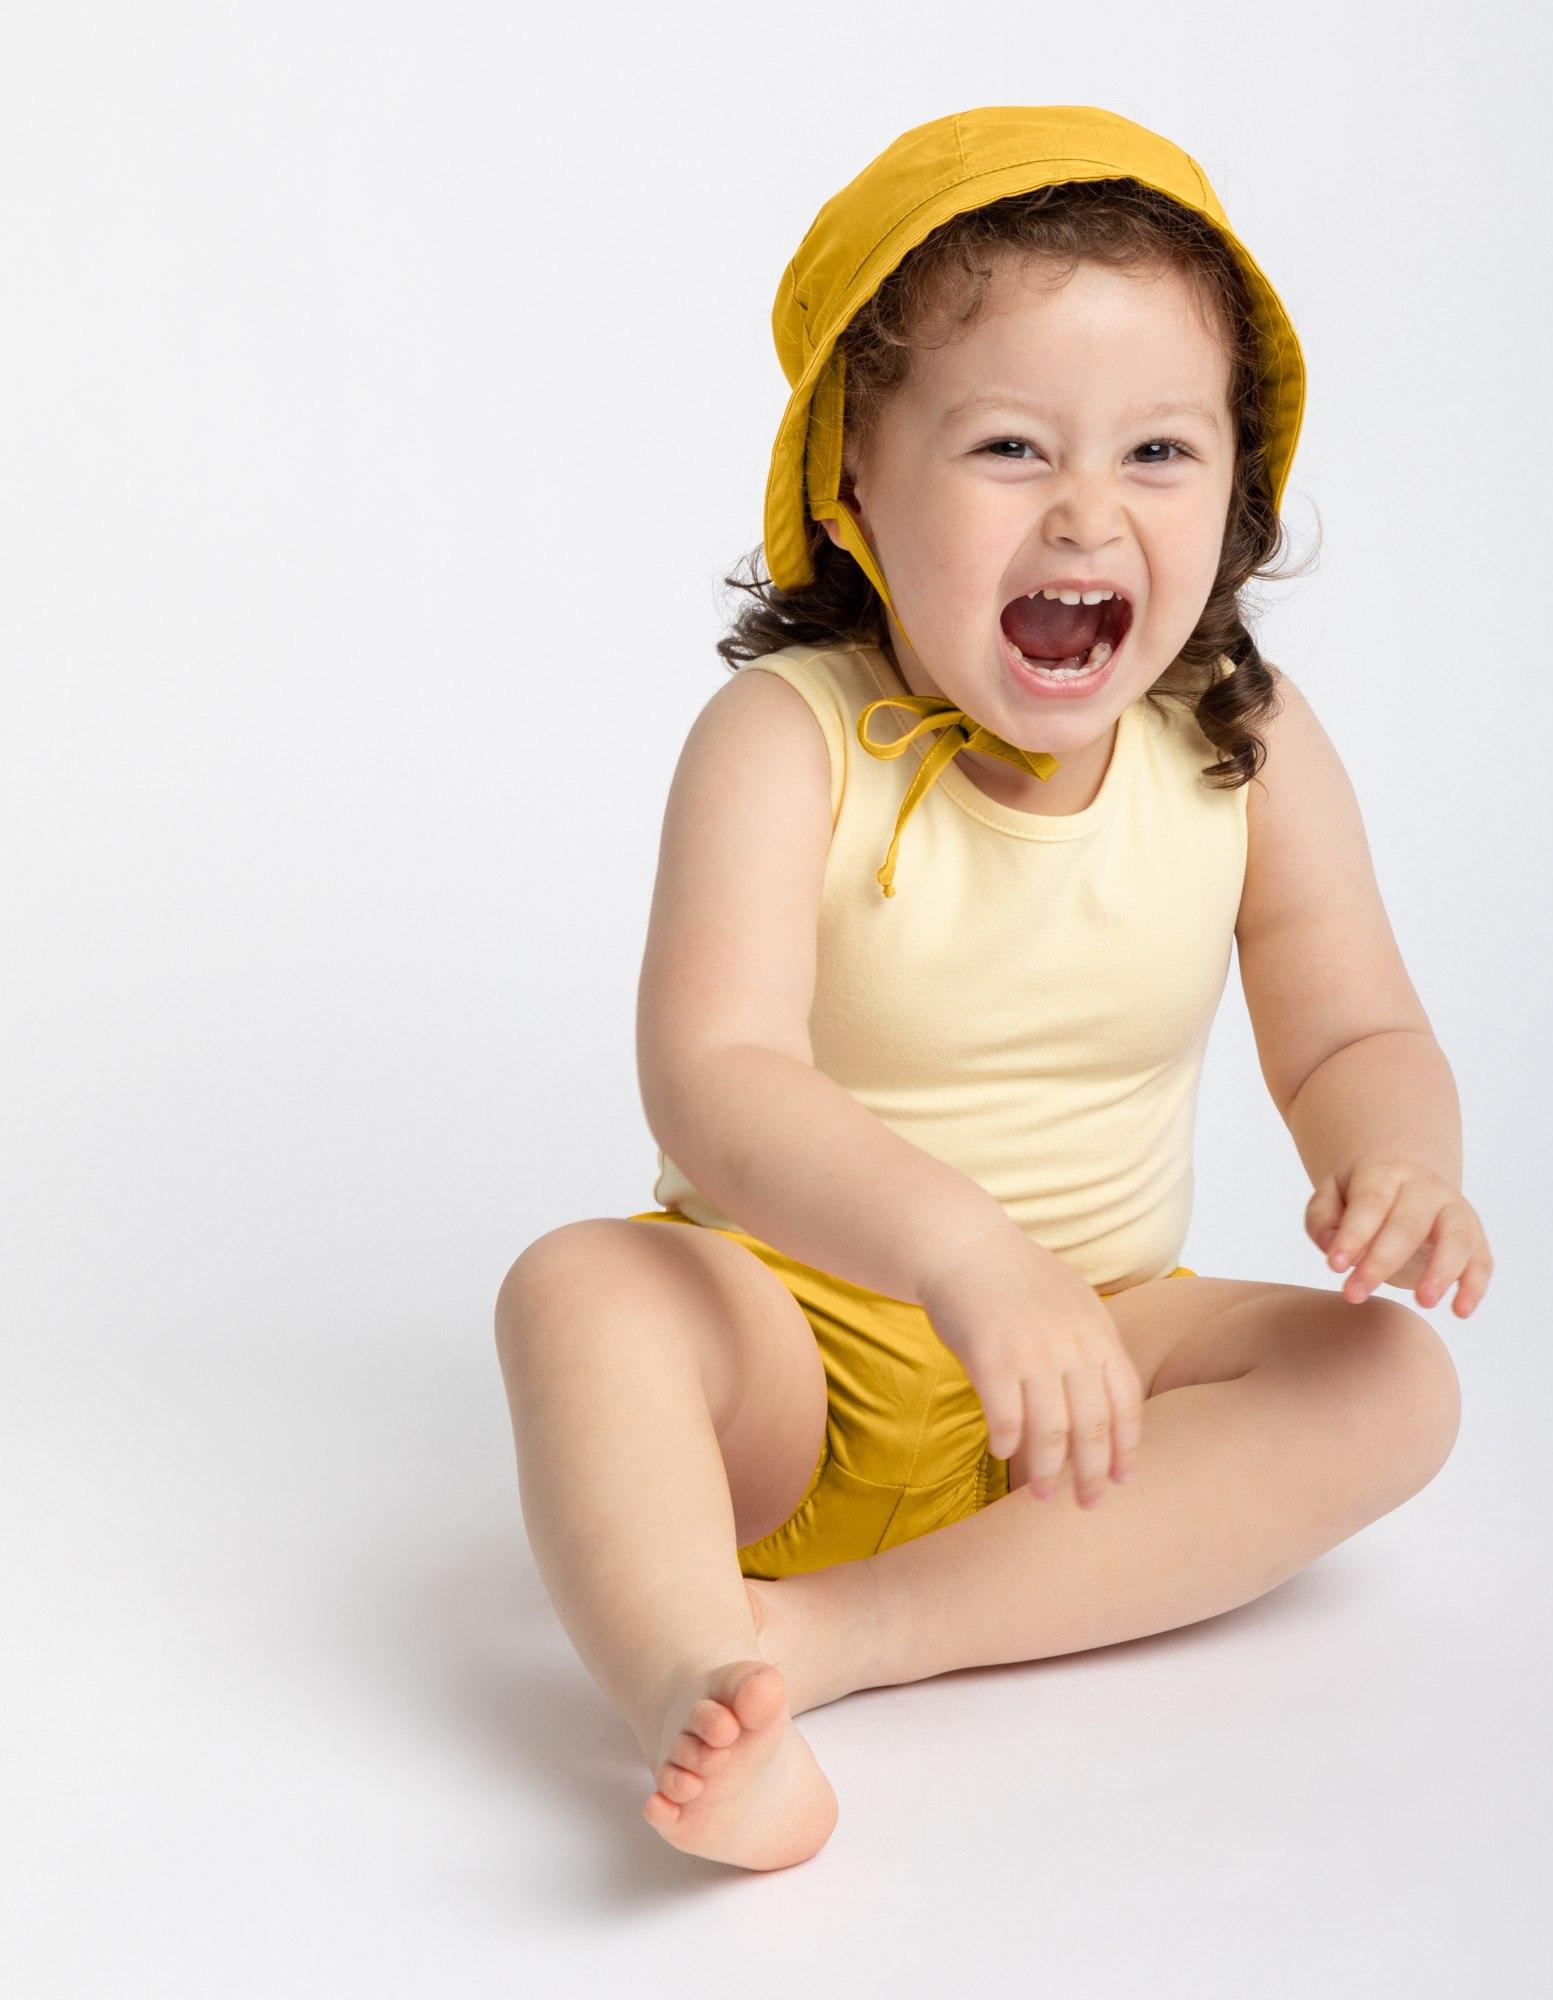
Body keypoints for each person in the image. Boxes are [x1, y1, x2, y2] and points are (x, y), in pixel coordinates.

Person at [494, 104, 1494, 1873]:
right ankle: (690, 1672)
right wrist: (964, 1260)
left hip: (1098, 1352)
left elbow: (1355, 1029)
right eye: (1012, 447)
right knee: (584, 1294)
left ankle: (837, 1637)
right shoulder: (785, 742)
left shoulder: (1239, 751)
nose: (1089, 509)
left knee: (1389, 1386)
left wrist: (1400, 1155)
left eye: (1163, 452)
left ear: (1239, 497)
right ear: (855, 488)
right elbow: (715, 1076)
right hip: (796, 1347)